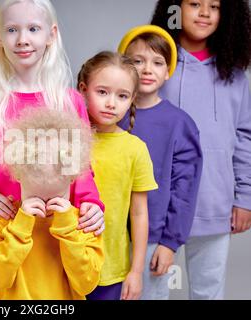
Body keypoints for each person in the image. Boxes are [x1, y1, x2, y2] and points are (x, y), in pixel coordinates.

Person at [0, 0, 105, 298]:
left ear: (51, 34)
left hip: (57, 236)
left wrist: (91, 205)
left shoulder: (69, 103)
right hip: (5, 238)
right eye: (12, 30)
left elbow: (82, 169)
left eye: (33, 28)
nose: (22, 39)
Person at [151, 0, 251, 299]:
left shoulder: (234, 76)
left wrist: (245, 197)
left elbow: (246, 137)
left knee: (209, 292)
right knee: (151, 290)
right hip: (156, 206)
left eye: (216, 6)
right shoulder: (154, 65)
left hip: (213, 202)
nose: (205, 12)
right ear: (174, 8)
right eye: (194, 3)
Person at [0, 108, 104, 300]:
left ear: (73, 178)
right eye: (35, 196)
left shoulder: (83, 224)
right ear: (18, 175)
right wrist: (20, 229)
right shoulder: (0, 222)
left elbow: (86, 283)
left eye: (56, 197)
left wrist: (68, 230)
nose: (45, 206)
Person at [117, 25, 203, 300]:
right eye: (137, 61)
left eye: (157, 62)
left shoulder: (180, 124)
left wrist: (170, 242)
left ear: (168, 71)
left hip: (153, 238)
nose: (146, 69)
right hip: (106, 234)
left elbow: (184, 189)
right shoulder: (106, 116)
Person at [78, 51, 158, 300]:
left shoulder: (135, 149)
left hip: (111, 270)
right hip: (63, 265)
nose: (111, 103)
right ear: (83, 89)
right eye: (102, 92)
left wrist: (136, 271)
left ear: (132, 98)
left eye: (122, 96)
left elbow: (139, 213)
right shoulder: (67, 140)